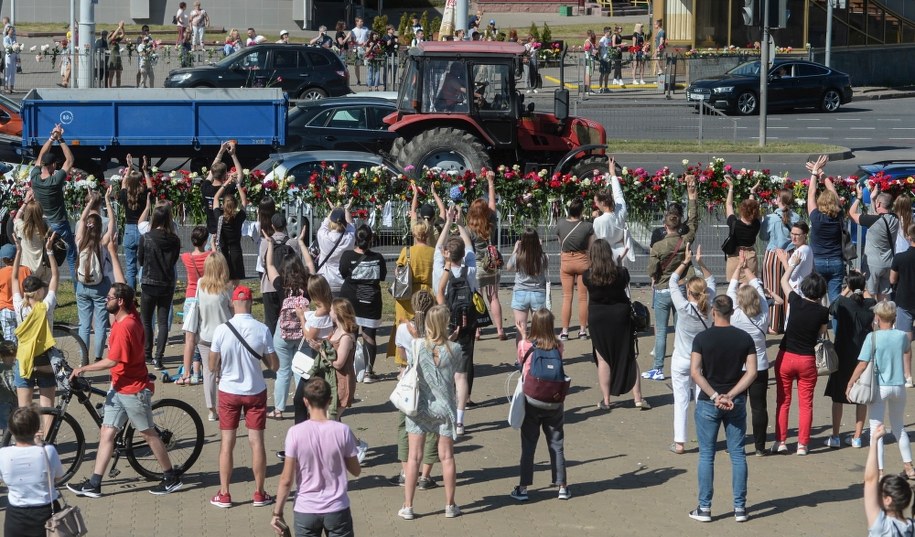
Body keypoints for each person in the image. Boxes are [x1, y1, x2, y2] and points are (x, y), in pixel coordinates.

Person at [68, 239, 183, 497]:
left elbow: (113, 361)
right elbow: (123, 284)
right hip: (119, 388)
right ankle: (95, 483)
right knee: (107, 433)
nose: (105, 299)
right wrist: (111, 251)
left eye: (109, 297)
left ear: (119, 302)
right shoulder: (129, 315)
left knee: (148, 433)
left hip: (132, 390)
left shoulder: (124, 326)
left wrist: (84, 368)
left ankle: (170, 477)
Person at [209, 285, 280, 509]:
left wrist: (221, 364)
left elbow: (211, 365)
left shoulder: (221, 330)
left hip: (229, 392)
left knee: (227, 443)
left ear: (233, 302)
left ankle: (225, 493)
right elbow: (274, 364)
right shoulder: (262, 329)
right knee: (256, 442)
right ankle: (259, 493)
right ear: (251, 303)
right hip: (255, 390)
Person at [688, 295, 757, 523]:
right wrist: (732, 394)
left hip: (709, 401)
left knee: (707, 455)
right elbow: (752, 372)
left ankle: (705, 508)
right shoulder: (744, 338)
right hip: (735, 402)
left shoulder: (702, 338)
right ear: (732, 312)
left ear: (714, 311)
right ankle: (740, 508)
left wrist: (715, 395)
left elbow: (695, 372)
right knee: (737, 454)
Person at [270, 377, 361, 537]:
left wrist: (277, 513)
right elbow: (356, 470)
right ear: (330, 400)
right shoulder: (342, 431)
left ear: (305, 401)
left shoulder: (295, 433)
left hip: (306, 510)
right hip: (337, 508)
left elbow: (286, 480)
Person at [398, 305, 463, 521]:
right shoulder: (455, 348)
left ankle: (408, 506)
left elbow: (413, 358)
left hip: (420, 407)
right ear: (446, 323)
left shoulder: (416, 345)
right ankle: (450, 504)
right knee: (447, 457)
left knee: (413, 457)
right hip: (444, 408)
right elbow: (459, 378)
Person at [510, 308, 571, 502]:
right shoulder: (559, 345)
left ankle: (523, 487)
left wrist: (523, 335)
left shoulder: (525, 344)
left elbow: (522, 363)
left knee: (528, 445)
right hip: (553, 399)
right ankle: (562, 486)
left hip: (532, 400)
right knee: (556, 444)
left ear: (533, 324)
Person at [849, 301, 913, 479]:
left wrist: (850, 382)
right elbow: (908, 352)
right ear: (894, 317)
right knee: (899, 428)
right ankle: (909, 466)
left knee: (876, 430)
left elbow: (862, 364)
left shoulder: (872, 337)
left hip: (880, 386)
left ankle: (879, 470)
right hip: (898, 386)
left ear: (877, 317)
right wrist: (908, 373)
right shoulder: (901, 336)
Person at [586, 239, 650, 412]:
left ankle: (606, 400)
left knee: (603, 358)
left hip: (598, 318)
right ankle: (638, 398)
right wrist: (619, 263)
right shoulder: (621, 273)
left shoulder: (588, 276)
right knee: (628, 355)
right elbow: (621, 278)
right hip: (620, 317)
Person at [646, 175, 698, 380]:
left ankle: (658, 368)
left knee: (660, 332)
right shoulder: (686, 240)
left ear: (665, 225)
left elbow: (651, 271)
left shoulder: (658, 246)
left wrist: (656, 275)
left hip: (662, 289)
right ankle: (683, 363)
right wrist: (692, 197)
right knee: (680, 329)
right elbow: (693, 222)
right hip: (682, 286)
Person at [772, 272, 829, 455]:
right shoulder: (822, 312)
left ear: (804, 287)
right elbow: (822, 333)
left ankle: (781, 441)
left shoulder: (795, 301)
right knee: (806, 404)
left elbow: (783, 281)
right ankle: (802, 445)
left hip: (786, 356)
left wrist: (791, 265)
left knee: (783, 401)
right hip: (807, 359)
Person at [390, 291, 440, 490]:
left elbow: (402, 355)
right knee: (432, 428)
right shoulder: (437, 329)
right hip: (432, 383)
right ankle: (425, 476)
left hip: (410, 383)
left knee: (404, 427)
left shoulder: (403, 329)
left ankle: (405, 471)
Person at [668, 243, 714, 453]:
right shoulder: (709, 306)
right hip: (701, 361)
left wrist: (685, 261)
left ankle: (679, 442)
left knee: (681, 400)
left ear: (688, 292)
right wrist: (700, 261)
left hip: (681, 359)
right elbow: (711, 280)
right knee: (701, 400)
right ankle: (705, 439)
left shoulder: (684, 307)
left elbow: (671, 281)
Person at [434, 207, 476, 434]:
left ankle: (445, 414)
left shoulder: (442, 269)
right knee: (462, 373)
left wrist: (448, 222)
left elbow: (440, 293)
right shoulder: (470, 267)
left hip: (448, 323)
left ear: (446, 253)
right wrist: (460, 223)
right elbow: (468, 245)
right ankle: (460, 421)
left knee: (444, 371)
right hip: (467, 323)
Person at [11, 237, 59, 434]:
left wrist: (19, 249)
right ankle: (46, 439)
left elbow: (14, 278)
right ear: (40, 291)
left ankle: (27, 439)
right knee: (47, 407)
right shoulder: (46, 306)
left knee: (24, 408)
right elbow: (55, 276)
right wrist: (49, 251)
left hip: (24, 361)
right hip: (45, 360)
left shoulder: (18, 306)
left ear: (25, 291)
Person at [263, 230, 311, 420]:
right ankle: (304, 404)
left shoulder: (280, 284)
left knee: (283, 371)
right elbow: (310, 264)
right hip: (302, 333)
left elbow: (268, 265)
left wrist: (269, 244)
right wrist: (301, 243)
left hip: (282, 334)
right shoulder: (308, 282)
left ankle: (279, 409)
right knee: (302, 370)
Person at [726, 252, 771, 456]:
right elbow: (759, 288)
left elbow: (729, 291)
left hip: (739, 368)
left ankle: (736, 444)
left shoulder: (735, 316)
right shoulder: (763, 315)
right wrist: (747, 269)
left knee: (737, 406)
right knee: (759, 408)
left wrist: (738, 267)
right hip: (760, 366)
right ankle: (760, 446)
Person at [824, 271, 874, 449]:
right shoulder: (869, 306)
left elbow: (831, 308)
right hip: (862, 356)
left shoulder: (844, 304)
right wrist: (862, 285)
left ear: (849, 286)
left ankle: (836, 436)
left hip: (842, 353)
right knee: (861, 397)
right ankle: (858, 437)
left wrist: (847, 288)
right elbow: (870, 299)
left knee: (838, 396)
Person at [0, 406, 64, 537]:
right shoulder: (48, 451)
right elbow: (58, 478)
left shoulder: (3, 454)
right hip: (47, 513)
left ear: (11, 430)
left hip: (16, 516)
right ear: (37, 429)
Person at [339, 225, 387, 383]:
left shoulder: (347, 256)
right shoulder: (378, 258)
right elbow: (382, 276)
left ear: (356, 240)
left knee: (350, 334)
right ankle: (368, 371)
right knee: (369, 336)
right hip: (370, 301)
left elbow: (343, 272)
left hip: (350, 300)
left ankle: (348, 369)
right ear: (371, 239)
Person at [75, 189, 116, 365]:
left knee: (84, 324)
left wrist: (90, 203)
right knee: (100, 323)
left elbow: (82, 220)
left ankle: (83, 357)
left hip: (82, 286)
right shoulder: (103, 242)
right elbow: (113, 221)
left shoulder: (80, 241)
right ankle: (98, 355)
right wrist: (106, 201)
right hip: (101, 285)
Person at [138, 204, 181, 370]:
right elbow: (174, 260)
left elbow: (140, 260)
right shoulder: (175, 240)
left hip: (149, 282)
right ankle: (159, 357)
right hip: (167, 283)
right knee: (163, 322)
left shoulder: (146, 237)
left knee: (146, 321)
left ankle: (147, 354)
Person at [387, 219, 436, 364]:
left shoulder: (407, 251)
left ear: (414, 234)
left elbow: (398, 272)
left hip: (407, 293)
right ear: (427, 234)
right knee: (426, 326)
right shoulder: (434, 252)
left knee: (403, 325)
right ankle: (426, 357)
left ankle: (403, 362)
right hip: (427, 293)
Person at [31, 125, 76, 282]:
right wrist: (60, 138)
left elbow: (40, 155)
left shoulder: (35, 177)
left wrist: (51, 137)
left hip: (42, 222)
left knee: (45, 256)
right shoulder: (55, 181)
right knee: (71, 256)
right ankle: (78, 290)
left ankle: (42, 285)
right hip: (58, 223)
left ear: (43, 164)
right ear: (53, 166)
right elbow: (70, 160)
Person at [192, 252, 233, 422]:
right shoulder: (227, 287)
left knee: (208, 372)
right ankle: (227, 406)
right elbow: (232, 310)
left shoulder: (201, 284)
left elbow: (196, 306)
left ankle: (211, 409)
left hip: (204, 335)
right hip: (225, 336)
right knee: (226, 372)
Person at [466, 170, 505, 340]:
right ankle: (500, 330)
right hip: (492, 263)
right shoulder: (491, 223)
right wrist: (490, 182)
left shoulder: (470, 229)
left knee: (478, 297)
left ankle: (477, 331)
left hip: (478, 264)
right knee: (494, 297)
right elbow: (492, 203)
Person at [805, 154, 845, 305]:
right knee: (835, 300)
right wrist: (823, 174)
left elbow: (811, 194)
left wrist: (815, 172)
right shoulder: (839, 216)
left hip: (818, 261)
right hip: (836, 261)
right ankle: (838, 328)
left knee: (816, 298)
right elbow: (833, 192)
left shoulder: (816, 218)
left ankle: (819, 327)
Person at [759, 188, 800, 334]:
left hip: (774, 255)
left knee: (772, 289)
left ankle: (774, 324)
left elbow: (763, 237)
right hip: (790, 254)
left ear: (779, 200)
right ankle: (787, 322)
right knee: (789, 289)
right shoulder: (796, 217)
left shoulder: (771, 218)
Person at [862, 423, 915, 535]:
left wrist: (874, 440)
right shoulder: (912, 527)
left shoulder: (882, 526)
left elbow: (870, 480)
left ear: (888, 500)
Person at [175, 226, 211, 386]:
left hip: (190, 298)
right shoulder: (211, 256)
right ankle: (209, 370)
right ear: (205, 241)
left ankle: (186, 372)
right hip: (205, 297)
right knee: (205, 336)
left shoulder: (186, 257)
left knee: (189, 339)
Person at [850, 184, 899, 301]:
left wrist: (858, 197)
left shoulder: (873, 220)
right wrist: (873, 199)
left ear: (879, 204)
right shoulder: (895, 218)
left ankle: (872, 319)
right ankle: (884, 317)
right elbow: (879, 217)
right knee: (885, 294)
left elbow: (851, 214)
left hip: (872, 265)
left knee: (869, 294)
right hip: (888, 262)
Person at [555, 197, 594, 341]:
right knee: (583, 298)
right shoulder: (588, 226)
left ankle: (565, 331)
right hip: (583, 260)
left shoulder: (560, 224)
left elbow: (561, 243)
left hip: (566, 261)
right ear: (581, 211)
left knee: (567, 297)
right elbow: (591, 246)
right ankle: (583, 330)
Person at [505, 228, 548, 342]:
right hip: (538, 292)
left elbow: (508, 267)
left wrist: (515, 250)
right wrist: (540, 248)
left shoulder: (518, 256)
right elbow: (545, 266)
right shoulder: (542, 257)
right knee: (538, 329)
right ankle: (536, 355)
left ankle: (521, 357)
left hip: (521, 292)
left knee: (521, 328)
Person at [593, 157, 633, 273]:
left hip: (605, 256)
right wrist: (613, 174)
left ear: (602, 203)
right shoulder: (621, 210)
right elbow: (618, 193)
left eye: (596, 202)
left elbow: (598, 240)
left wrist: (596, 218)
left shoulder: (599, 221)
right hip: (621, 253)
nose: (595, 204)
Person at [120, 156, 154, 289]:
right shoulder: (144, 194)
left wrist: (129, 168)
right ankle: (145, 287)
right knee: (145, 263)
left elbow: (123, 184)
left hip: (129, 230)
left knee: (130, 266)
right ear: (141, 182)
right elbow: (151, 187)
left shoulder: (125, 195)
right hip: (142, 229)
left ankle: (131, 294)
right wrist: (145, 171)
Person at [213, 167, 250, 286]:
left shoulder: (220, 217)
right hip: (236, 250)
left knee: (224, 278)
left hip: (223, 250)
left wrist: (227, 182)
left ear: (223, 205)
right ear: (235, 206)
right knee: (236, 279)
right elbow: (244, 202)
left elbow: (215, 198)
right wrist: (238, 184)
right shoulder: (238, 218)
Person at [200, 141, 241, 247]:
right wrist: (233, 155)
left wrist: (221, 151)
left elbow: (211, 172)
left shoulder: (205, 188)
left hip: (211, 234)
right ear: (225, 175)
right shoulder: (228, 189)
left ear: (213, 174)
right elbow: (240, 176)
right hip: (226, 233)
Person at [723, 175, 762, 284]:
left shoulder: (734, 223)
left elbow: (729, 204)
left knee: (733, 287)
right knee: (749, 287)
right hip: (749, 255)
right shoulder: (756, 223)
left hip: (735, 254)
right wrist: (752, 192)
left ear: (742, 210)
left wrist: (731, 187)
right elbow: (752, 207)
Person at [891, 223, 915, 386]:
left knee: (905, 341)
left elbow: (892, 279)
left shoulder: (900, 257)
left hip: (905, 300)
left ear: (909, 237)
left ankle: (907, 376)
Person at [315, 205, 356, 295]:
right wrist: (346, 209)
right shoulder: (349, 238)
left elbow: (325, 223)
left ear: (332, 222)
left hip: (326, 278)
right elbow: (351, 224)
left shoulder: (323, 236)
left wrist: (334, 210)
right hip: (343, 279)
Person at [12, 197, 49, 284]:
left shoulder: (23, 228)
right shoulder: (45, 228)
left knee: (28, 294)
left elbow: (16, 218)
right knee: (42, 294)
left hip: (27, 267)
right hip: (43, 267)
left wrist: (25, 203)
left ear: (27, 214)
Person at [775, 221, 814, 297]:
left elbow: (792, 275)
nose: (793, 237)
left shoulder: (800, 251)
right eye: (792, 234)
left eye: (797, 235)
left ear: (804, 235)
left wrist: (784, 260)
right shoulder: (807, 248)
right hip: (802, 290)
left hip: (797, 292)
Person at [0, 244, 29, 342]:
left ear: (4, 260)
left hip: (5, 309)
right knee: (23, 336)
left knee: (9, 339)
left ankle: (11, 356)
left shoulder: (1, 273)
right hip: (22, 308)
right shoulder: (26, 270)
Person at [349, 17, 369, 86]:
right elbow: (352, 40)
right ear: (356, 22)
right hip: (357, 49)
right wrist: (356, 43)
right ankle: (358, 80)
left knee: (367, 64)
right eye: (360, 21)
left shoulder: (366, 29)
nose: (362, 23)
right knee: (357, 65)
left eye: (362, 21)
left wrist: (366, 42)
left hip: (365, 48)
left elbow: (369, 38)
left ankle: (368, 80)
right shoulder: (353, 30)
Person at [107, 21, 126, 88]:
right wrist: (119, 27)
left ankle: (118, 87)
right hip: (112, 59)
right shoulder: (109, 40)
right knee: (111, 75)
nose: (114, 35)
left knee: (118, 75)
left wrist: (122, 28)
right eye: (112, 33)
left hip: (118, 59)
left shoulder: (116, 41)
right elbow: (113, 36)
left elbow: (123, 34)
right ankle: (110, 87)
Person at [597, 27, 611, 93]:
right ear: (605, 32)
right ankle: (600, 87)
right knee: (602, 73)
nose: (610, 33)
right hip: (603, 58)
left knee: (607, 73)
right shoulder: (602, 40)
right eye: (609, 32)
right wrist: (600, 57)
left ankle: (606, 87)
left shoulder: (609, 39)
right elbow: (599, 48)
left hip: (608, 59)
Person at [2, 25, 16, 93]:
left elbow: (17, 47)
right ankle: (6, 87)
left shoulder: (14, 38)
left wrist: (18, 57)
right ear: (8, 31)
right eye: (11, 30)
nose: (12, 31)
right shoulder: (6, 38)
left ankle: (12, 86)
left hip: (13, 56)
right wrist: (13, 46)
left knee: (13, 72)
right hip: (8, 56)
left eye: (13, 30)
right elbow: (6, 45)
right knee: (8, 72)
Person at [583, 30, 597, 95]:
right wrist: (593, 51)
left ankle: (589, 88)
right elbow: (587, 48)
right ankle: (587, 89)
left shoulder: (590, 42)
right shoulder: (587, 42)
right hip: (588, 59)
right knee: (588, 74)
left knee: (590, 74)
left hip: (591, 58)